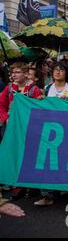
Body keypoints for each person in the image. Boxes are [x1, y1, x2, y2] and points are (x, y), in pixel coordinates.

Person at [34, 61, 68, 207]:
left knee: (65, 161)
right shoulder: (47, 88)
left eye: (61, 70)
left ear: (66, 73)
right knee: (48, 162)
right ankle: (48, 195)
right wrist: (41, 100)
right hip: (50, 130)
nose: (58, 72)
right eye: (55, 70)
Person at [0, 62, 42, 199]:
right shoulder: (9, 88)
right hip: (11, 127)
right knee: (14, 155)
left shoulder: (34, 90)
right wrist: (5, 117)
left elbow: (39, 109)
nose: (13, 74)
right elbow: (1, 105)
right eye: (12, 72)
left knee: (29, 155)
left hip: (28, 127)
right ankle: (17, 187)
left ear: (25, 73)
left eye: (17, 72)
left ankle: (30, 186)